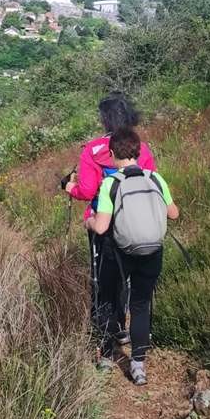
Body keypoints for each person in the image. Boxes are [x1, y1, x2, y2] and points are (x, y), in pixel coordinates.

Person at [63, 92, 155, 367]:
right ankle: (127, 330)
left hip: (101, 223)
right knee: (130, 276)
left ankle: (107, 336)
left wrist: (69, 187)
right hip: (135, 222)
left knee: (103, 279)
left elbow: (88, 190)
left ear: (105, 118)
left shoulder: (91, 150)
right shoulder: (143, 148)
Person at [85, 126, 178, 385]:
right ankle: (138, 366)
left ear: (113, 153)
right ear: (138, 151)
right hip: (152, 252)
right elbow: (174, 213)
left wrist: (90, 222)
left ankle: (105, 356)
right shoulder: (156, 179)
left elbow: (102, 227)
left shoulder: (110, 184)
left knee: (107, 299)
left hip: (120, 253)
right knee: (140, 305)